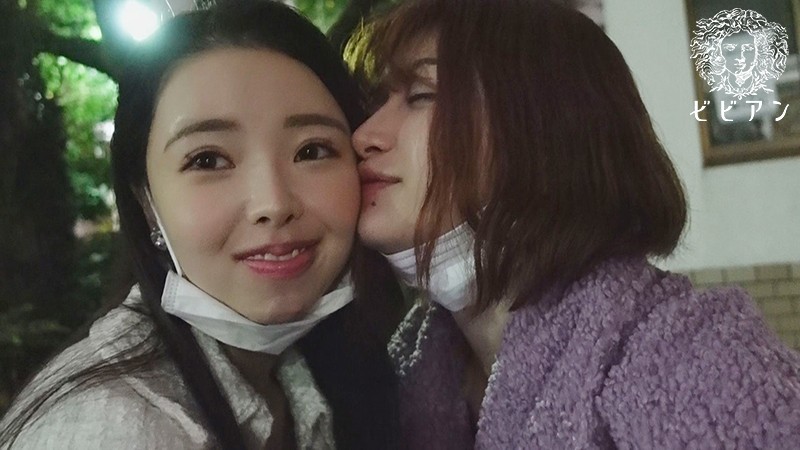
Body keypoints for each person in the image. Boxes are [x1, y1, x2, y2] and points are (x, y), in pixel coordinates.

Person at [346, 0, 800, 448]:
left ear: (543, 130)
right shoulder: (395, 382)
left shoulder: (695, 363)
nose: (364, 135)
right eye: (378, 100)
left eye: (420, 95)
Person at [0, 1, 402, 449]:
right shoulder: (110, 430)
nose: (273, 204)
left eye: (312, 151)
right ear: (146, 200)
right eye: (208, 160)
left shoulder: (326, 369)